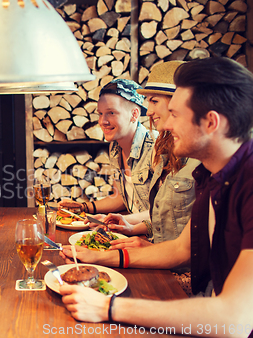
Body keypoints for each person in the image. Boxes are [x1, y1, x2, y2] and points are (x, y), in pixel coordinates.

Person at [59, 57, 253, 337]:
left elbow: (235, 319)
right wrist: (100, 257)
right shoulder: (212, 176)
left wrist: (108, 308)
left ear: (211, 122)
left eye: (175, 115)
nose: (164, 125)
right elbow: (179, 249)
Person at [102, 61, 200, 252]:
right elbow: (166, 220)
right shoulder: (163, 147)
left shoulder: (202, 159)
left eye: (154, 101)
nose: (150, 111)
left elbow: (187, 245)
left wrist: (139, 239)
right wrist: (132, 228)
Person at [60, 79, 157, 215]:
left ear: (134, 114)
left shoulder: (156, 148)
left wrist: (126, 224)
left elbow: (162, 213)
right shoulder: (115, 147)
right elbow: (120, 198)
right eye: (100, 113)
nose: (102, 121)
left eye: (111, 113)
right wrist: (84, 207)